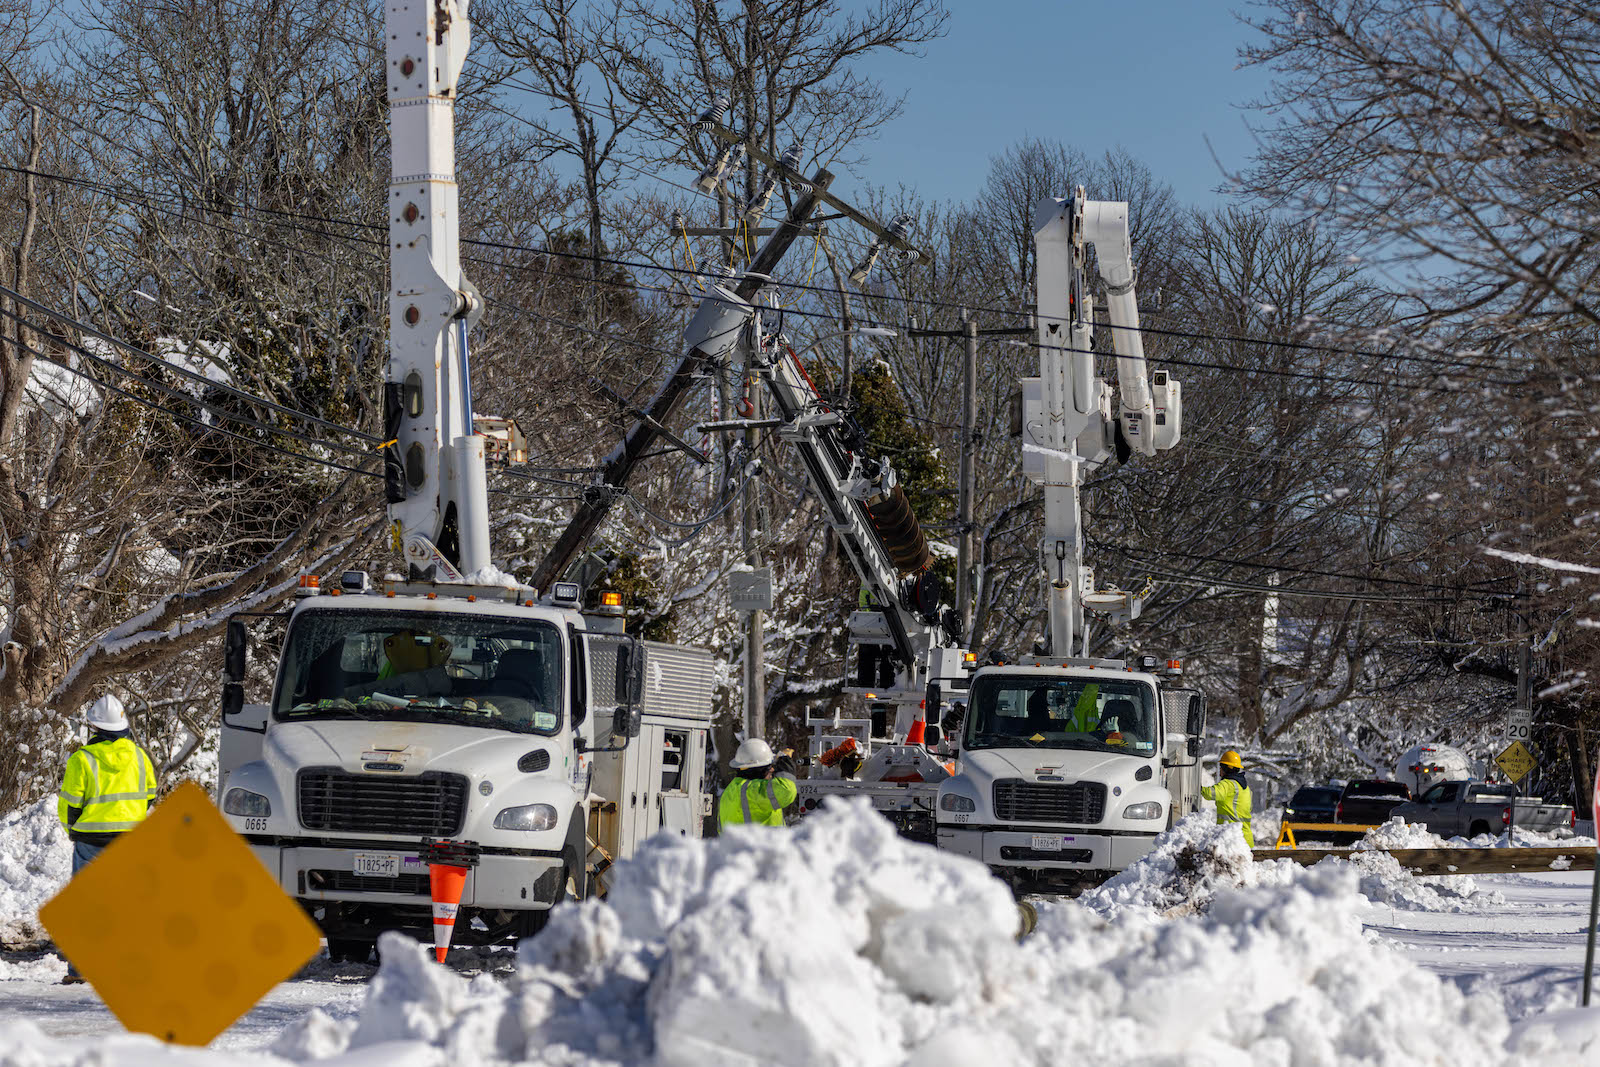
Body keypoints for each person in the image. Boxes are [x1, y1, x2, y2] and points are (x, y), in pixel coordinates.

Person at [57, 694, 158, 984]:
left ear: (94, 728)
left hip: (92, 841)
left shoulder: (82, 759)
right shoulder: (139, 756)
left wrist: (73, 830)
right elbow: (150, 794)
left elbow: (70, 805)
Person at [718, 739, 798, 828]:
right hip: (761, 841)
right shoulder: (752, 791)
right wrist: (786, 763)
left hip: (735, 841)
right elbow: (786, 790)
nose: (772, 770)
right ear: (759, 770)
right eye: (769, 768)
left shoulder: (730, 791)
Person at [1201, 749, 1254, 846]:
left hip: (1232, 839)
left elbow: (1211, 793)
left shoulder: (1228, 784)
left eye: (1221, 767)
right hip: (1246, 838)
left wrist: (1198, 787)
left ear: (1227, 768)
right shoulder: (1245, 788)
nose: (1220, 770)